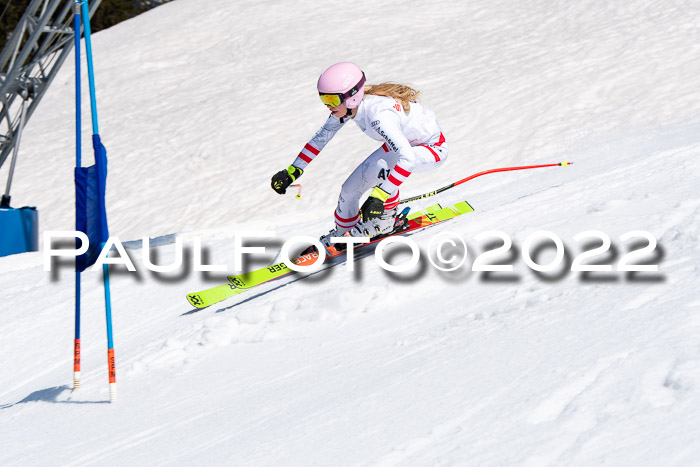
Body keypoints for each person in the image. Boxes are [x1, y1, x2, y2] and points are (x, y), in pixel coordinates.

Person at [271, 61, 448, 244]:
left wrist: (379, 197)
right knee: (349, 190)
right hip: (404, 147)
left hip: (432, 149)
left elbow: (407, 159)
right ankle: (344, 232)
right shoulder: (348, 109)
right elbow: (321, 138)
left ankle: (385, 221)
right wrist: (293, 171)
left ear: (352, 97)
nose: (327, 106)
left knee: (384, 168)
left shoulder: (379, 115)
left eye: (331, 100)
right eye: (324, 100)